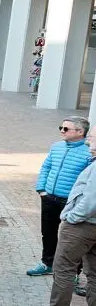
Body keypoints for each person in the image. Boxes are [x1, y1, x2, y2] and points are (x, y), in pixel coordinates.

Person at [21, 126, 96, 306]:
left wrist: (72, 217)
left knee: (63, 267)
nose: (89, 141)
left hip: (83, 225)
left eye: (92, 137)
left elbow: (91, 201)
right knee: (93, 273)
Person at [26, 117, 93, 276]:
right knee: (48, 232)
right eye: (61, 128)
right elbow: (46, 167)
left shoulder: (88, 152)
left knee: (73, 239)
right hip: (49, 198)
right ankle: (47, 263)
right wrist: (42, 189)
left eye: (66, 129)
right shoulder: (56, 147)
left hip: (71, 203)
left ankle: (74, 273)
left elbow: (89, 182)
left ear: (80, 132)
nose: (62, 131)